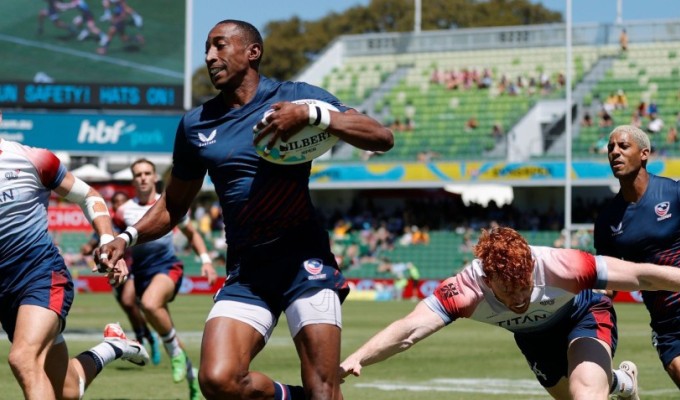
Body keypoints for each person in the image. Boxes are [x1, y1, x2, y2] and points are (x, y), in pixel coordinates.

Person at [98, 19, 393, 400]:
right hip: (248, 271)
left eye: (220, 46)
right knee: (218, 380)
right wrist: (127, 237)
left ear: (253, 52)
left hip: (305, 260)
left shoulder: (296, 96)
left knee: (325, 387)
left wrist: (312, 116)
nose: (210, 56)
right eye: (207, 48)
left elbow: (381, 136)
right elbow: (174, 203)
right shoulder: (195, 125)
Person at [334, 226, 680, 400]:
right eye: (508, 289)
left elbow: (640, 275)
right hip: (533, 339)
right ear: (488, 280)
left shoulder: (561, 265)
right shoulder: (466, 289)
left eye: (524, 285)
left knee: (585, 394)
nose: (519, 297)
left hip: (582, 316)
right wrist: (359, 357)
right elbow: (409, 330)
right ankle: (623, 382)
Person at [0, 109, 149, 399]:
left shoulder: (32, 158)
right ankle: (113, 347)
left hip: (39, 276)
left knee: (23, 358)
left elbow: (89, 195)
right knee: (68, 391)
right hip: (5, 292)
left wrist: (108, 241)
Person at [113, 158, 217, 400]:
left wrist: (206, 260)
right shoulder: (123, 211)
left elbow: (192, 234)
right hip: (141, 274)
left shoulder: (169, 203)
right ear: (133, 179)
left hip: (168, 267)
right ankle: (193, 381)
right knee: (165, 330)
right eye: (138, 174)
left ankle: (176, 355)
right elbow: (115, 240)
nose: (143, 177)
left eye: (147, 173)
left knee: (149, 303)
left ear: (155, 177)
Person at [594, 124, 680, 390]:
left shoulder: (674, 194)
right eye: (610, 148)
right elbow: (607, 281)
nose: (615, 153)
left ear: (644, 154)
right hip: (670, 328)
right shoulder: (608, 220)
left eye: (623, 146)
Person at [80, 190, 163, 366]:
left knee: (128, 302)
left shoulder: (130, 222)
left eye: (121, 202)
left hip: (132, 267)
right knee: (129, 308)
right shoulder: (109, 225)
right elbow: (96, 241)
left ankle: (147, 340)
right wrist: (87, 248)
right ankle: (145, 337)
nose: (118, 205)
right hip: (113, 271)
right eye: (115, 202)